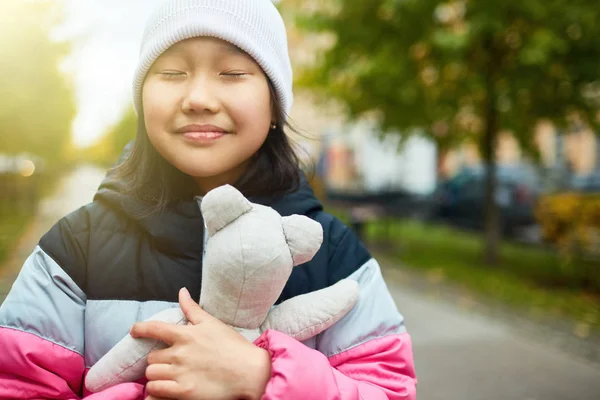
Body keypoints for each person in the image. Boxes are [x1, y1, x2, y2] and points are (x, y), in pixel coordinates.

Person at [0, 1, 418, 399]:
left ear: (274, 103)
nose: (198, 98)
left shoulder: (334, 255)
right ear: (142, 98)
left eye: (233, 72)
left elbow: (388, 390)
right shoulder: (75, 249)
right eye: (171, 72)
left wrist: (262, 376)